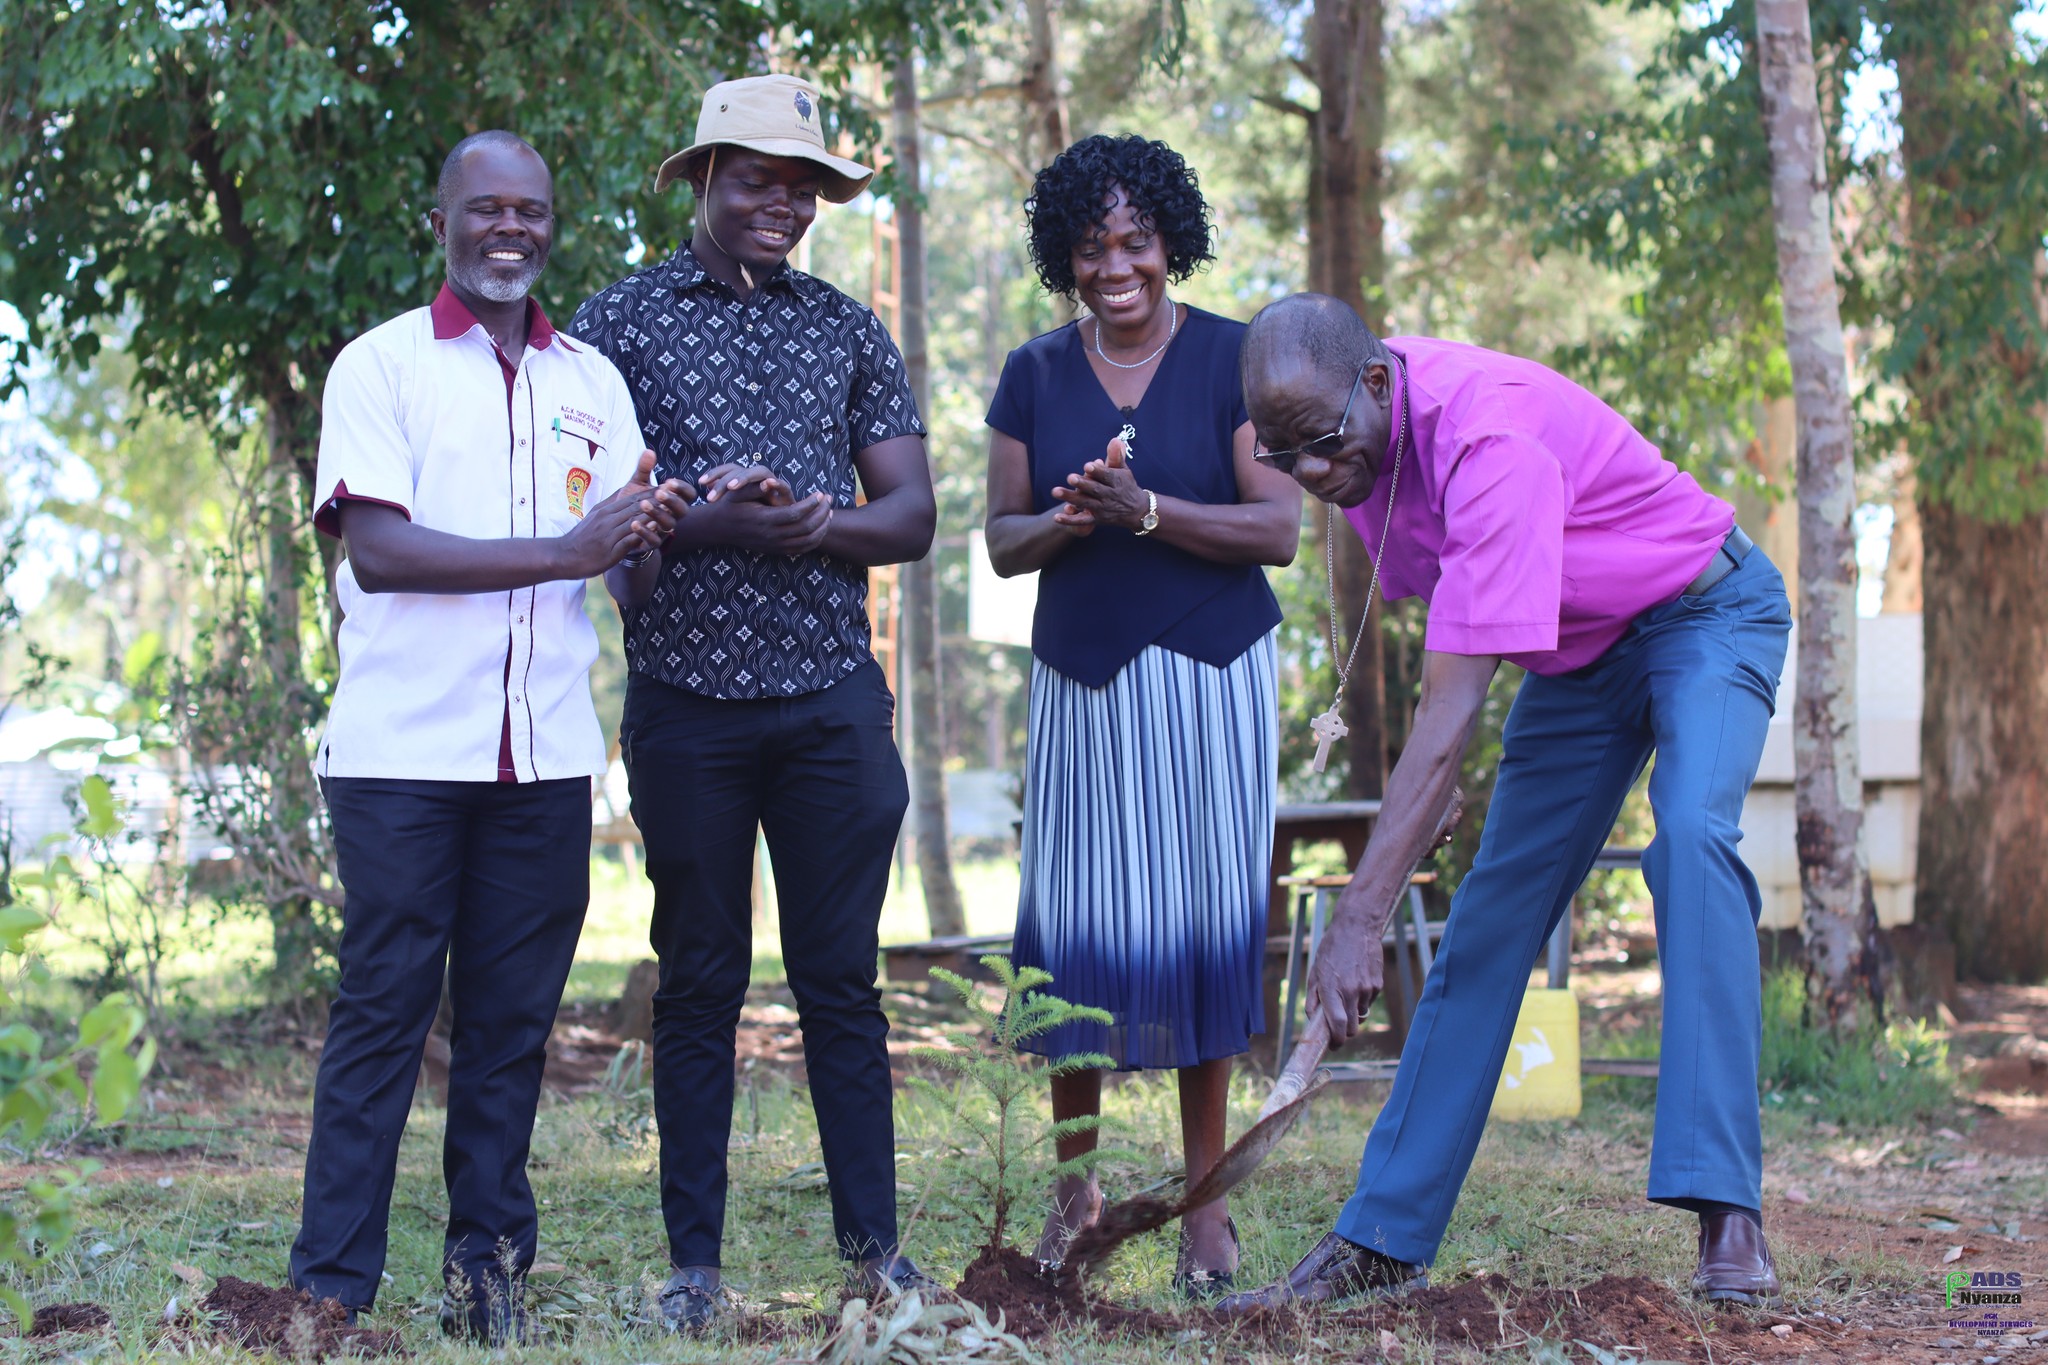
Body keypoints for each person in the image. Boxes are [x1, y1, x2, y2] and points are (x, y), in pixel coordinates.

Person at [1216, 293, 1792, 1312]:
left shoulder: (1486, 440)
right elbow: (1456, 645)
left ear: (1378, 383)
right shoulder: (1355, 437)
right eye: (1281, 455)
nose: (1308, 475)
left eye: (1317, 446)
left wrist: (1360, 912)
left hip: (1701, 613)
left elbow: (1448, 722)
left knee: (1692, 840)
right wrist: (1414, 813)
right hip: (1580, 659)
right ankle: (1381, 1238)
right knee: (1487, 924)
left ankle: (1725, 1205)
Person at [294, 131, 689, 1345]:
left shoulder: (593, 387)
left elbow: (627, 572)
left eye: (531, 210)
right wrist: (571, 552)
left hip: (544, 761)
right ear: (443, 222)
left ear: (551, 224)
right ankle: (331, 1291)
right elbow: (380, 550)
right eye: (486, 209)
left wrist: (664, 530)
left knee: (512, 1030)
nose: (509, 228)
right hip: (403, 758)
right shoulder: (382, 367)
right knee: (385, 1017)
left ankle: (485, 1283)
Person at [568, 74, 938, 1331]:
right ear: (702, 179)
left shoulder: (845, 327)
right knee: (700, 981)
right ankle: (693, 1266)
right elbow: (606, 536)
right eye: (757, 178)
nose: (782, 202)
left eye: (804, 186)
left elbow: (912, 517)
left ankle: (873, 1256)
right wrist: (710, 518)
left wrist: (809, 520)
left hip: (831, 705)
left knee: (841, 981)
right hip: (687, 706)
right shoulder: (611, 326)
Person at [983, 134, 1302, 1297]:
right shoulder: (1032, 373)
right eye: (1089, 246)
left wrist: (1147, 509)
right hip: (1081, 681)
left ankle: (1204, 1205)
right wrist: (1078, 518)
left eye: (1134, 241)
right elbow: (1001, 540)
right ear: (1063, 256)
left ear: (1170, 242)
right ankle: (1076, 1193)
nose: (1113, 265)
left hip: (1209, 682)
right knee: (1076, 930)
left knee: (1200, 922)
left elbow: (1275, 530)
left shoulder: (1231, 357)